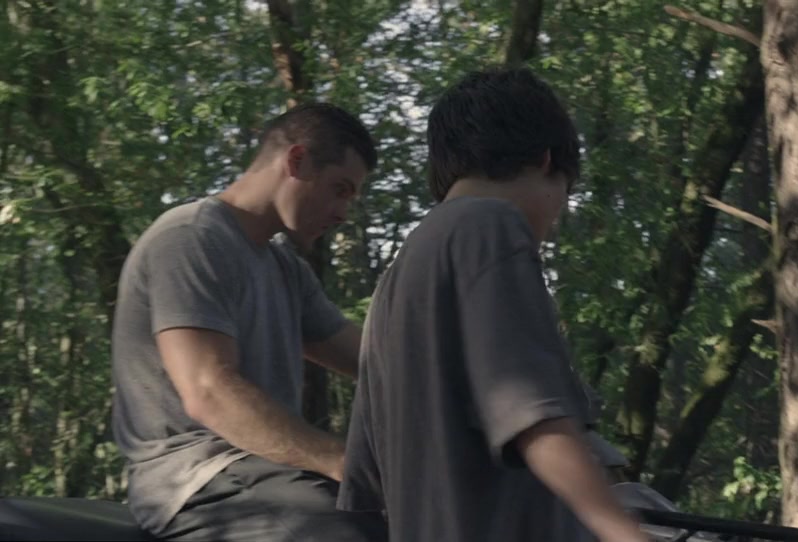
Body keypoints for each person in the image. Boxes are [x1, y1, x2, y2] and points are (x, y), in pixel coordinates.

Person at [336, 67, 649, 542]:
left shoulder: (398, 277)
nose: (554, 222)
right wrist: (624, 534)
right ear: (546, 159)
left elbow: (365, 479)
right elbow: (536, 417)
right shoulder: (490, 225)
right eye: (565, 195)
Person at [110, 102, 388, 541]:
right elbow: (209, 392)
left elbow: (375, 360)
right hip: (199, 479)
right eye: (339, 189)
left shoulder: (286, 268)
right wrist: (343, 461)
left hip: (266, 473)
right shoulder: (190, 238)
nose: (342, 213)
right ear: (297, 161)